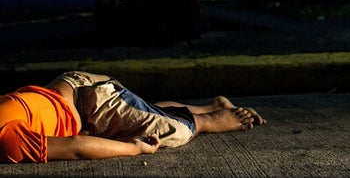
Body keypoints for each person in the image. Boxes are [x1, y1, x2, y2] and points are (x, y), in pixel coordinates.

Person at [0, 71, 266, 163]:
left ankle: (213, 119)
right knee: (146, 112)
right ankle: (207, 107)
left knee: (174, 133)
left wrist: (135, 149)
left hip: (94, 102)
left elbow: (76, 148)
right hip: (77, 93)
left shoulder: (5, 140)